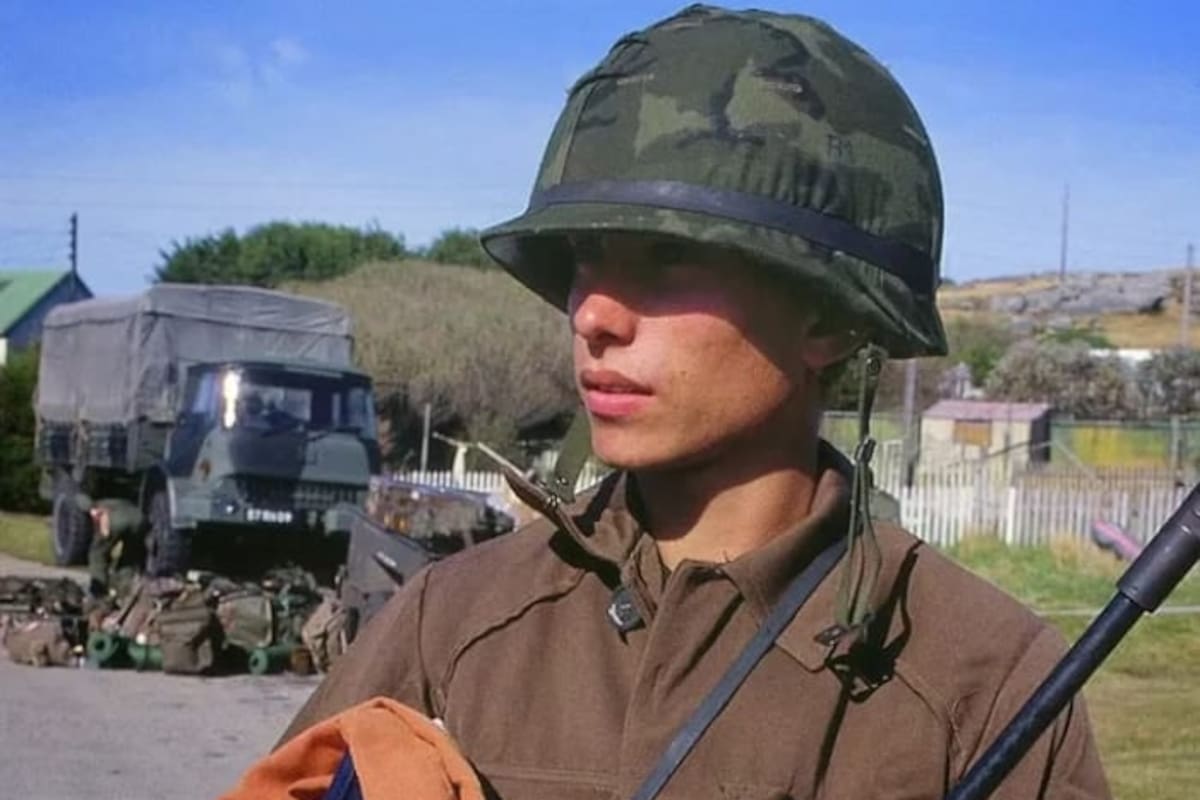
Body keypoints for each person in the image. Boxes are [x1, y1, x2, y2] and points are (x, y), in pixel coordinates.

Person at [280, 6, 1110, 798]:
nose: (593, 314)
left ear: (825, 314)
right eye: (583, 258)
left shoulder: (983, 683)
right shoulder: (453, 627)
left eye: (664, 259)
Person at [81, 494, 145, 599]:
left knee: (97, 554)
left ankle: (98, 592)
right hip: (139, 518)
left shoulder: (97, 505)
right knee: (130, 556)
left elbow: (104, 530)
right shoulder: (120, 500)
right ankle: (126, 590)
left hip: (116, 520)